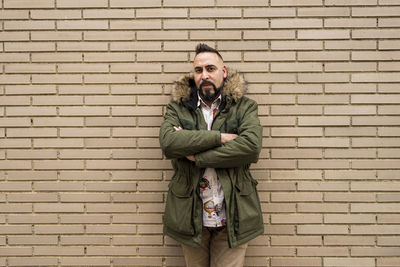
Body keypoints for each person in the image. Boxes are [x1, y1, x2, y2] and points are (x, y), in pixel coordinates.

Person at [159, 43, 263, 267]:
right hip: (190, 216)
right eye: (198, 70)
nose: (204, 75)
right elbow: (169, 144)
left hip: (234, 215)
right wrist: (220, 138)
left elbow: (251, 147)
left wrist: (198, 156)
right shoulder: (178, 109)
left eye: (210, 69)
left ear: (223, 72)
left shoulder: (244, 107)